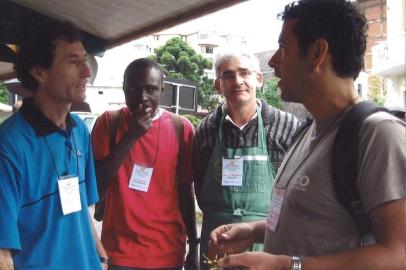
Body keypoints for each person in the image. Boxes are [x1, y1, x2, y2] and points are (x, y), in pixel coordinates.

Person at [208, 1, 406, 269]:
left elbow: (399, 254)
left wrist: (288, 265)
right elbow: (313, 223)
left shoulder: (378, 135)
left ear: (317, 53)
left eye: (283, 48)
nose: (273, 62)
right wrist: (254, 230)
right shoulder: (307, 130)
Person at [0, 21, 108, 269]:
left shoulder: (80, 130)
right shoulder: (9, 146)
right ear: (40, 72)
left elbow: (80, 207)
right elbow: (2, 253)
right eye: (73, 62)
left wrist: (100, 256)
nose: (86, 72)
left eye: (85, 60)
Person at [193, 51, 298, 268]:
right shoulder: (206, 130)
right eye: (228, 75)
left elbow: (298, 189)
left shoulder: (286, 126)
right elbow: (199, 185)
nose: (237, 81)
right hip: (216, 242)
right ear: (218, 85)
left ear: (258, 79)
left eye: (244, 73)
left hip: (269, 246)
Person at [91, 58, 198, 269]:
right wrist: (131, 135)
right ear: (123, 88)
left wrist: (194, 245)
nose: (143, 98)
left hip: (167, 254)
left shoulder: (181, 128)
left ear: (162, 90)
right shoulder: (108, 123)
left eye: (151, 90)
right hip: (120, 254)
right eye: (134, 89)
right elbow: (97, 183)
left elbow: (186, 190)